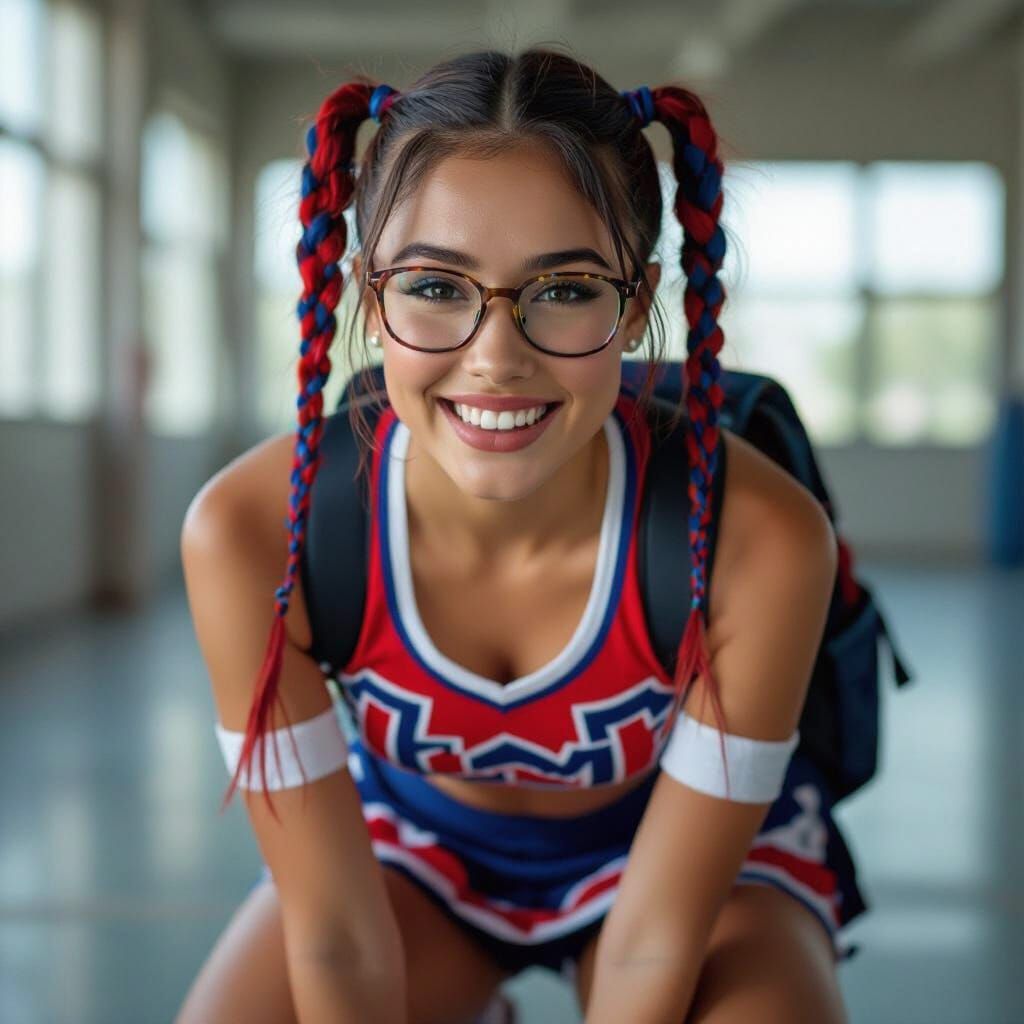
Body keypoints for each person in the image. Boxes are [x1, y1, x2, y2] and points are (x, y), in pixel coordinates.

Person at [176, 46, 866, 1024]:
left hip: (697, 874)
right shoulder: (254, 531)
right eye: (434, 286)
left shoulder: (757, 538)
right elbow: (334, 933)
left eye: (566, 289)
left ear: (635, 306)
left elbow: (657, 941)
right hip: (408, 858)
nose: (495, 358)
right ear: (370, 298)